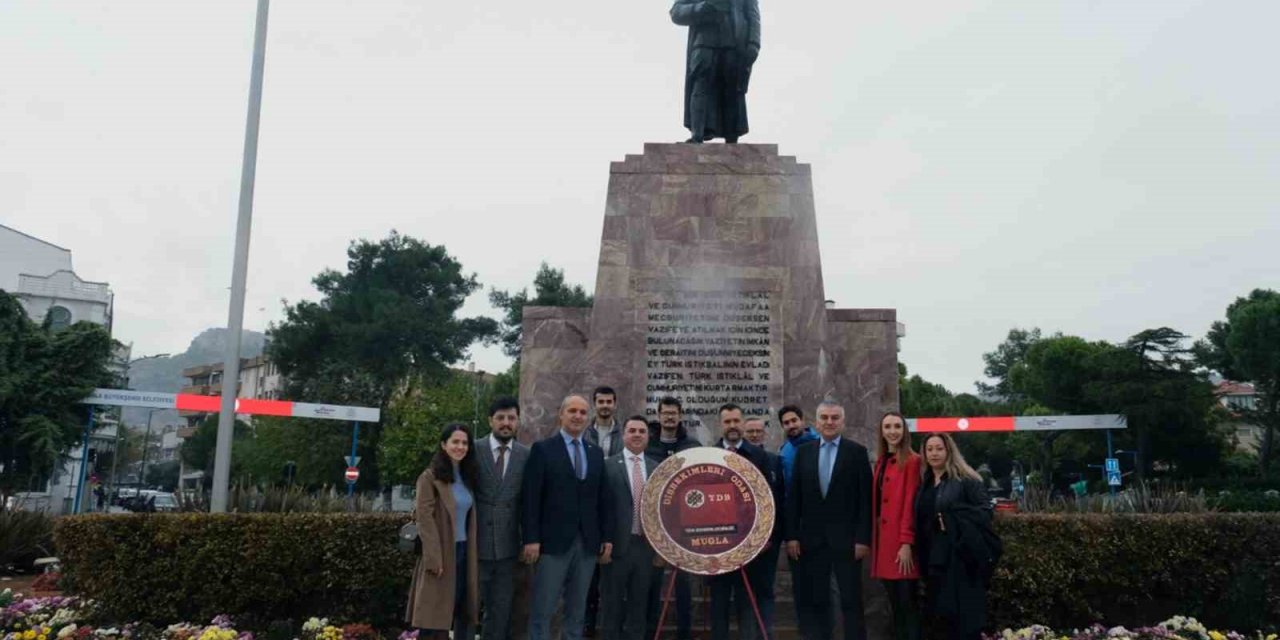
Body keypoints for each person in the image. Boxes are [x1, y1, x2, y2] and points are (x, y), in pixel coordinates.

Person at [522, 395, 614, 640]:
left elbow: (602, 499)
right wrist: (531, 538)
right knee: (544, 608)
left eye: (583, 412)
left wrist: (606, 537)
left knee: (577, 609)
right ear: (560, 414)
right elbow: (531, 498)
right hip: (552, 544)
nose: (577, 416)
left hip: (587, 545)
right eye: (572, 411)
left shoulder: (595, 453)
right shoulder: (543, 450)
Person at [784, 401, 871, 640]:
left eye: (834, 418)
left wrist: (863, 539)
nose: (830, 422)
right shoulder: (804, 453)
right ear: (816, 421)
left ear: (842, 421)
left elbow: (865, 500)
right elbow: (794, 499)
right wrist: (792, 535)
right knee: (818, 599)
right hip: (811, 541)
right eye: (825, 417)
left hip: (848, 541)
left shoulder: (857, 452)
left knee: (851, 599)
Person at [916, 433, 1000, 640]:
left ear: (949, 451)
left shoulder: (966, 480)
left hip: (960, 558)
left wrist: (952, 518)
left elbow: (985, 512)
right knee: (940, 617)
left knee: (963, 619)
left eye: (939, 448)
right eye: (930, 449)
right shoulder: (925, 482)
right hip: (932, 558)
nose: (934, 453)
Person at [407, 423, 481, 640]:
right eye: (455, 442)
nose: (460, 447)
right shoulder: (430, 477)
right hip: (441, 553)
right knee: (434, 616)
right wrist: (433, 557)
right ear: (443, 445)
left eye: (465, 443)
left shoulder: (467, 477)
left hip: (464, 552)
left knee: (458, 611)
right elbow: (424, 518)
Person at [708, 404, 775, 640]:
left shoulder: (759, 456)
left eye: (736, 421)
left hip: (750, 545)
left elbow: (769, 499)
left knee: (747, 602)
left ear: (742, 422)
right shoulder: (709, 455)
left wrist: (764, 535)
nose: (733, 426)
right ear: (720, 424)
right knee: (719, 603)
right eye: (727, 422)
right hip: (717, 545)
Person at [600, 416, 662, 640]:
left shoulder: (657, 469)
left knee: (639, 607)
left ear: (648, 436)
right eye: (632, 430)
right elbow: (601, 507)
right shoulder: (607, 466)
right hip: (615, 548)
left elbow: (662, 511)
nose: (637, 434)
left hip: (645, 549)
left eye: (642, 431)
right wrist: (603, 541)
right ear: (624, 435)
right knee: (611, 607)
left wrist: (660, 549)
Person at [476, 397, 531, 640]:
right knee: (467, 610)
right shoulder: (473, 449)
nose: (506, 423)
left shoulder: (526, 455)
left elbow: (529, 503)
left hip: (508, 549)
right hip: (475, 545)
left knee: (500, 612)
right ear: (490, 420)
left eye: (511, 418)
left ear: (518, 422)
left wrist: (527, 540)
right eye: (501, 418)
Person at [669, 0, 761, 143]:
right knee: (700, 85)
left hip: (734, 41)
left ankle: (732, 138)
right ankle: (697, 136)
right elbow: (676, 12)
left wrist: (754, 42)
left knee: (732, 88)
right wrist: (700, 7)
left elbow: (753, 15)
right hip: (704, 41)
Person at [645, 396, 698, 640]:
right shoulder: (647, 445)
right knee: (652, 582)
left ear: (680, 415)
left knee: (684, 583)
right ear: (658, 414)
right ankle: (650, 631)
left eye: (673, 413)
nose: (669, 417)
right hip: (653, 522)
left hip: (684, 522)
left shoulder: (692, 445)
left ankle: (684, 633)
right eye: (665, 413)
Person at [871, 412, 922, 640]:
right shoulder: (881, 461)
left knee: (907, 606)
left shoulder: (912, 461)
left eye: (897, 427)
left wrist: (906, 542)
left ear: (905, 431)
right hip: (884, 544)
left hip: (900, 545)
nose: (892, 431)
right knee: (895, 606)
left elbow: (911, 502)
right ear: (881, 431)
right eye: (888, 426)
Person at [584, 385, 623, 637]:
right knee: (589, 578)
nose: (605, 405)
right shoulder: (585, 433)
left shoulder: (624, 433)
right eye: (601, 401)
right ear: (594, 404)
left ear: (615, 404)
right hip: (589, 506)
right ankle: (588, 624)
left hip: (617, 505)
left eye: (609, 401)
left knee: (613, 576)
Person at [742, 416, 785, 639]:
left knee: (765, 591)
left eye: (759, 431)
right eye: (750, 432)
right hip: (741, 543)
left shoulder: (775, 461)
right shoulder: (734, 461)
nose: (755, 435)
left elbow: (779, 501)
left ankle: (765, 633)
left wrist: (772, 536)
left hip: (768, 543)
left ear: (765, 434)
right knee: (745, 593)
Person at [777, 405, 818, 495]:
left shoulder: (821, 443)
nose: (791, 425)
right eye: (786, 423)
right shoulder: (783, 451)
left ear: (802, 420)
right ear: (782, 426)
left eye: (794, 420)